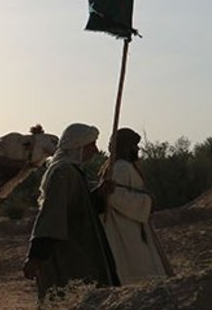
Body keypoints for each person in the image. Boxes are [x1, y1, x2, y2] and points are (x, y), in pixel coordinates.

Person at [23, 123, 119, 300]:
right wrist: (36, 256)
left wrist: (99, 194)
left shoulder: (72, 171)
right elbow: (52, 216)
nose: (96, 150)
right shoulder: (63, 172)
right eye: (92, 144)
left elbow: (79, 208)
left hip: (79, 251)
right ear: (78, 146)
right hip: (68, 255)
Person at [100, 127, 174, 283]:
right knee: (138, 269)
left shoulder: (124, 167)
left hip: (134, 225)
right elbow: (114, 196)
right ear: (126, 146)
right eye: (134, 145)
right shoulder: (120, 168)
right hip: (126, 229)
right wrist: (147, 202)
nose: (137, 148)